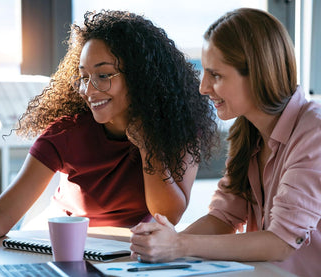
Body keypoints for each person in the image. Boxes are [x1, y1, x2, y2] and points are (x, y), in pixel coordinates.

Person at [0, 10, 216, 245]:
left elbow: (169, 215)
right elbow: (1, 213)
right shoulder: (66, 133)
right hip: (59, 244)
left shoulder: (177, 128)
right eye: (84, 76)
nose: (89, 89)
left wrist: (147, 144)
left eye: (104, 75)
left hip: (130, 251)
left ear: (140, 77)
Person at [129, 7, 321, 277]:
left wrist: (178, 245)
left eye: (216, 75)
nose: (203, 87)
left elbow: (281, 243)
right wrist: (161, 244)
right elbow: (224, 217)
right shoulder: (249, 131)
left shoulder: (315, 132)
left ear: (257, 74)